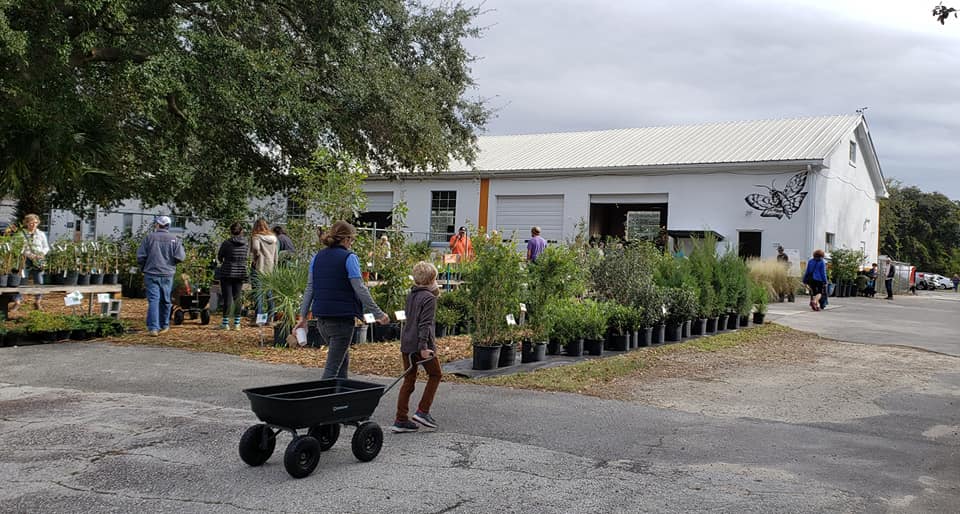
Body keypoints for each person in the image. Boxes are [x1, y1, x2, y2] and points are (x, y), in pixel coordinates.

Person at [294, 221, 389, 379]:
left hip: (322, 320)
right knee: (331, 370)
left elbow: (310, 288)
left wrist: (303, 317)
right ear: (345, 239)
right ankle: (322, 402)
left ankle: (341, 398)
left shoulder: (317, 257)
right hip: (341, 320)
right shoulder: (349, 258)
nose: (352, 244)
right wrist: (378, 313)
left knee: (341, 361)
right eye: (352, 240)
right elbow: (360, 288)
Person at [391, 261, 442, 433]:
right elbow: (425, 324)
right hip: (421, 344)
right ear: (431, 280)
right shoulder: (429, 298)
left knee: (409, 380)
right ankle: (423, 410)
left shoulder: (411, 295)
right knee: (435, 374)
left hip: (407, 342)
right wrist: (423, 346)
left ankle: (401, 418)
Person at [137, 216, 185, 336]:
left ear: (157, 225)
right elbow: (180, 257)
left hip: (151, 273)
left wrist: (143, 267)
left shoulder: (149, 238)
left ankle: (153, 328)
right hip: (167, 274)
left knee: (154, 300)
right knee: (166, 300)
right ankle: (165, 325)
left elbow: (141, 256)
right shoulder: (175, 239)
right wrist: (170, 264)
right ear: (168, 225)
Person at [12, 214, 50, 311]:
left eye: (36, 222)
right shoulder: (21, 234)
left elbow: (46, 247)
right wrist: (30, 255)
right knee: (22, 280)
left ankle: (38, 301)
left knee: (39, 280)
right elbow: (19, 248)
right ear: (26, 223)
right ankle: (18, 302)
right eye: (31, 222)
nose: (33, 224)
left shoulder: (41, 234)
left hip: (38, 259)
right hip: (25, 259)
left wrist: (41, 253)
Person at [216, 222, 249, 330]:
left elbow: (220, 256)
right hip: (240, 272)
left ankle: (225, 323)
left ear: (231, 231)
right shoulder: (246, 243)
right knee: (237, 297)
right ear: (241, 231)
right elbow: (246, 256)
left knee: (227, 298)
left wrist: (224, 260)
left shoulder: (226, 243)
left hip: (227, 271)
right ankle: (237, 323)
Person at [251, 219, 279, 323]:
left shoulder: (256, 237)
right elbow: (276, 255)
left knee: (259, 293)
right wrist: (274, 265)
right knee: (269, 293)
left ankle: (260, 318)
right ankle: (271, 317)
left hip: (260, 267)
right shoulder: (274, 239)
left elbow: (255, 248)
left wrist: (256, 256)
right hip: (270, 267)